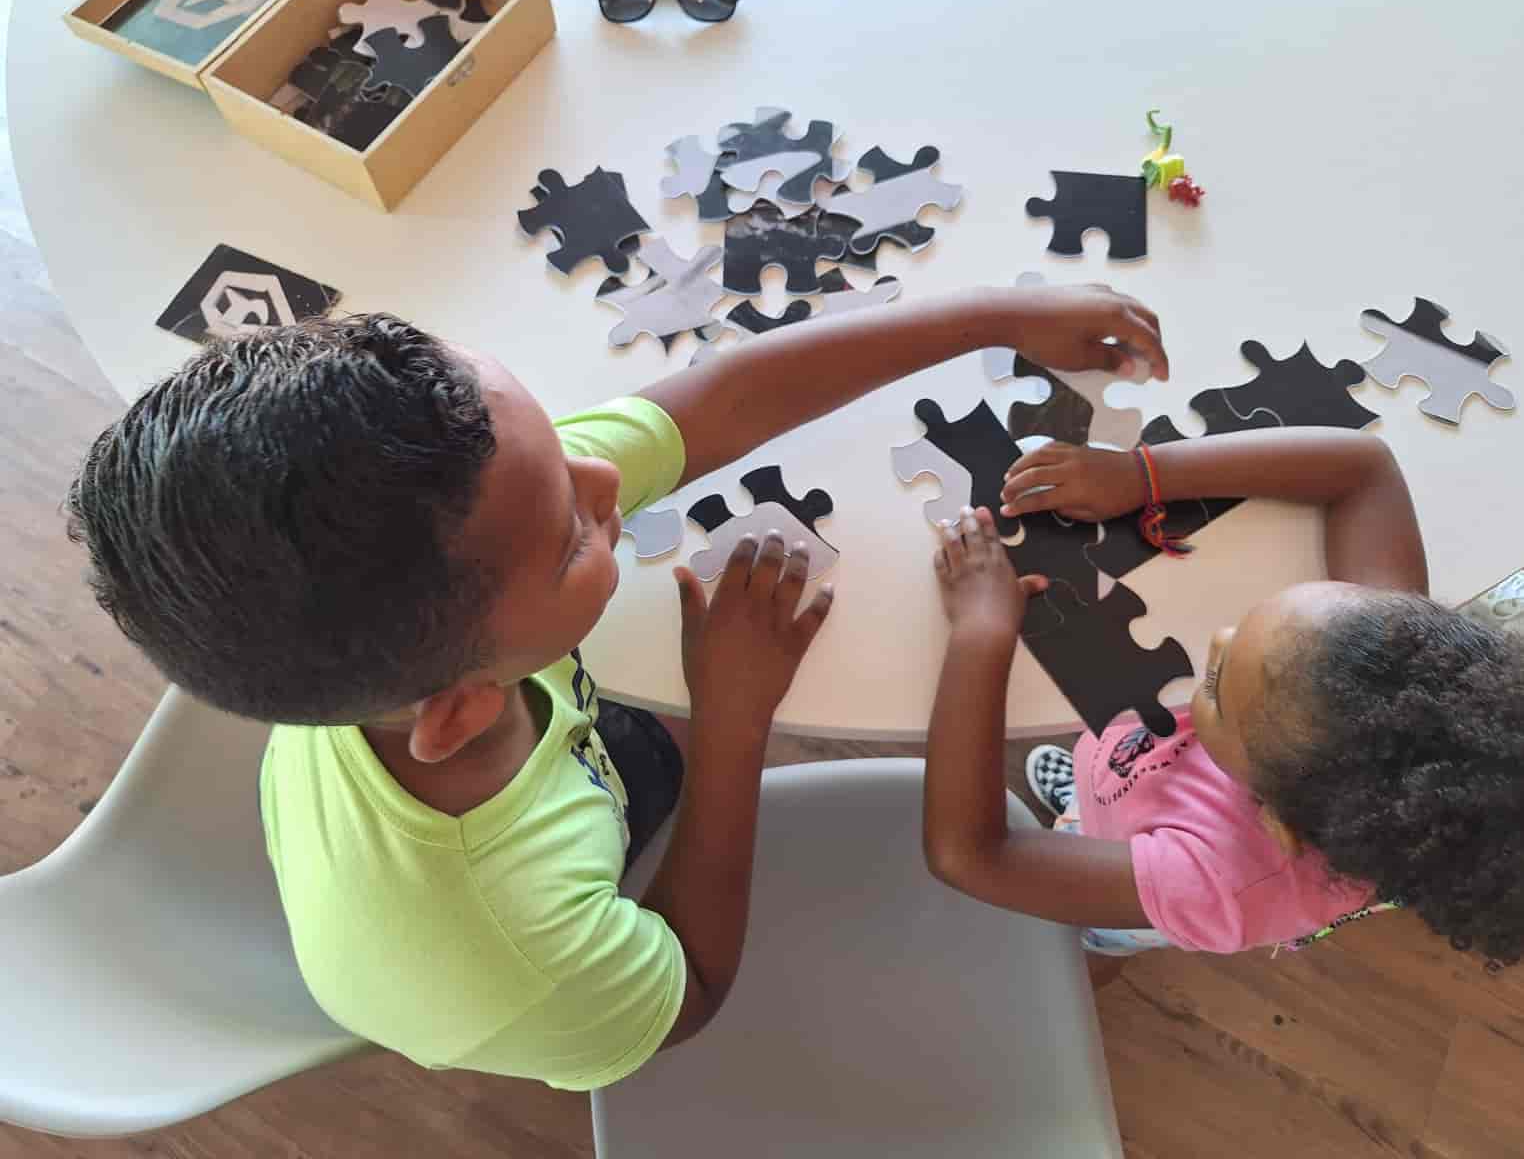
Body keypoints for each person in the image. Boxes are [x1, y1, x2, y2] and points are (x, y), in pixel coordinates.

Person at [66, 285, 1165, 1090]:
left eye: (557, 448)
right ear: (462, 706)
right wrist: (734, 720)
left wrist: (996, 316)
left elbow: (713, 404)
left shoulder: (444, 543)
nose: (608, 483)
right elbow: (689, 990)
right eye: (570, 534)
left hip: (544, 781)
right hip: (514, 951)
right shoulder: (514, 964)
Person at [921, 428, 1524, 981]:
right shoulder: (1386, 654)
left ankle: (1098, 940)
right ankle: (1083, 803)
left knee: (1100, 922)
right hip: (1142, 770)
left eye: (1215, 687)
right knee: (1095, 797)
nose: (1217, 639)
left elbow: (973, 854)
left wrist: (981, 631)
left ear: (1276, 821)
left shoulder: (1219, 885)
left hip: (1139, 880)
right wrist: (1141, 474)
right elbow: (1365, 466)